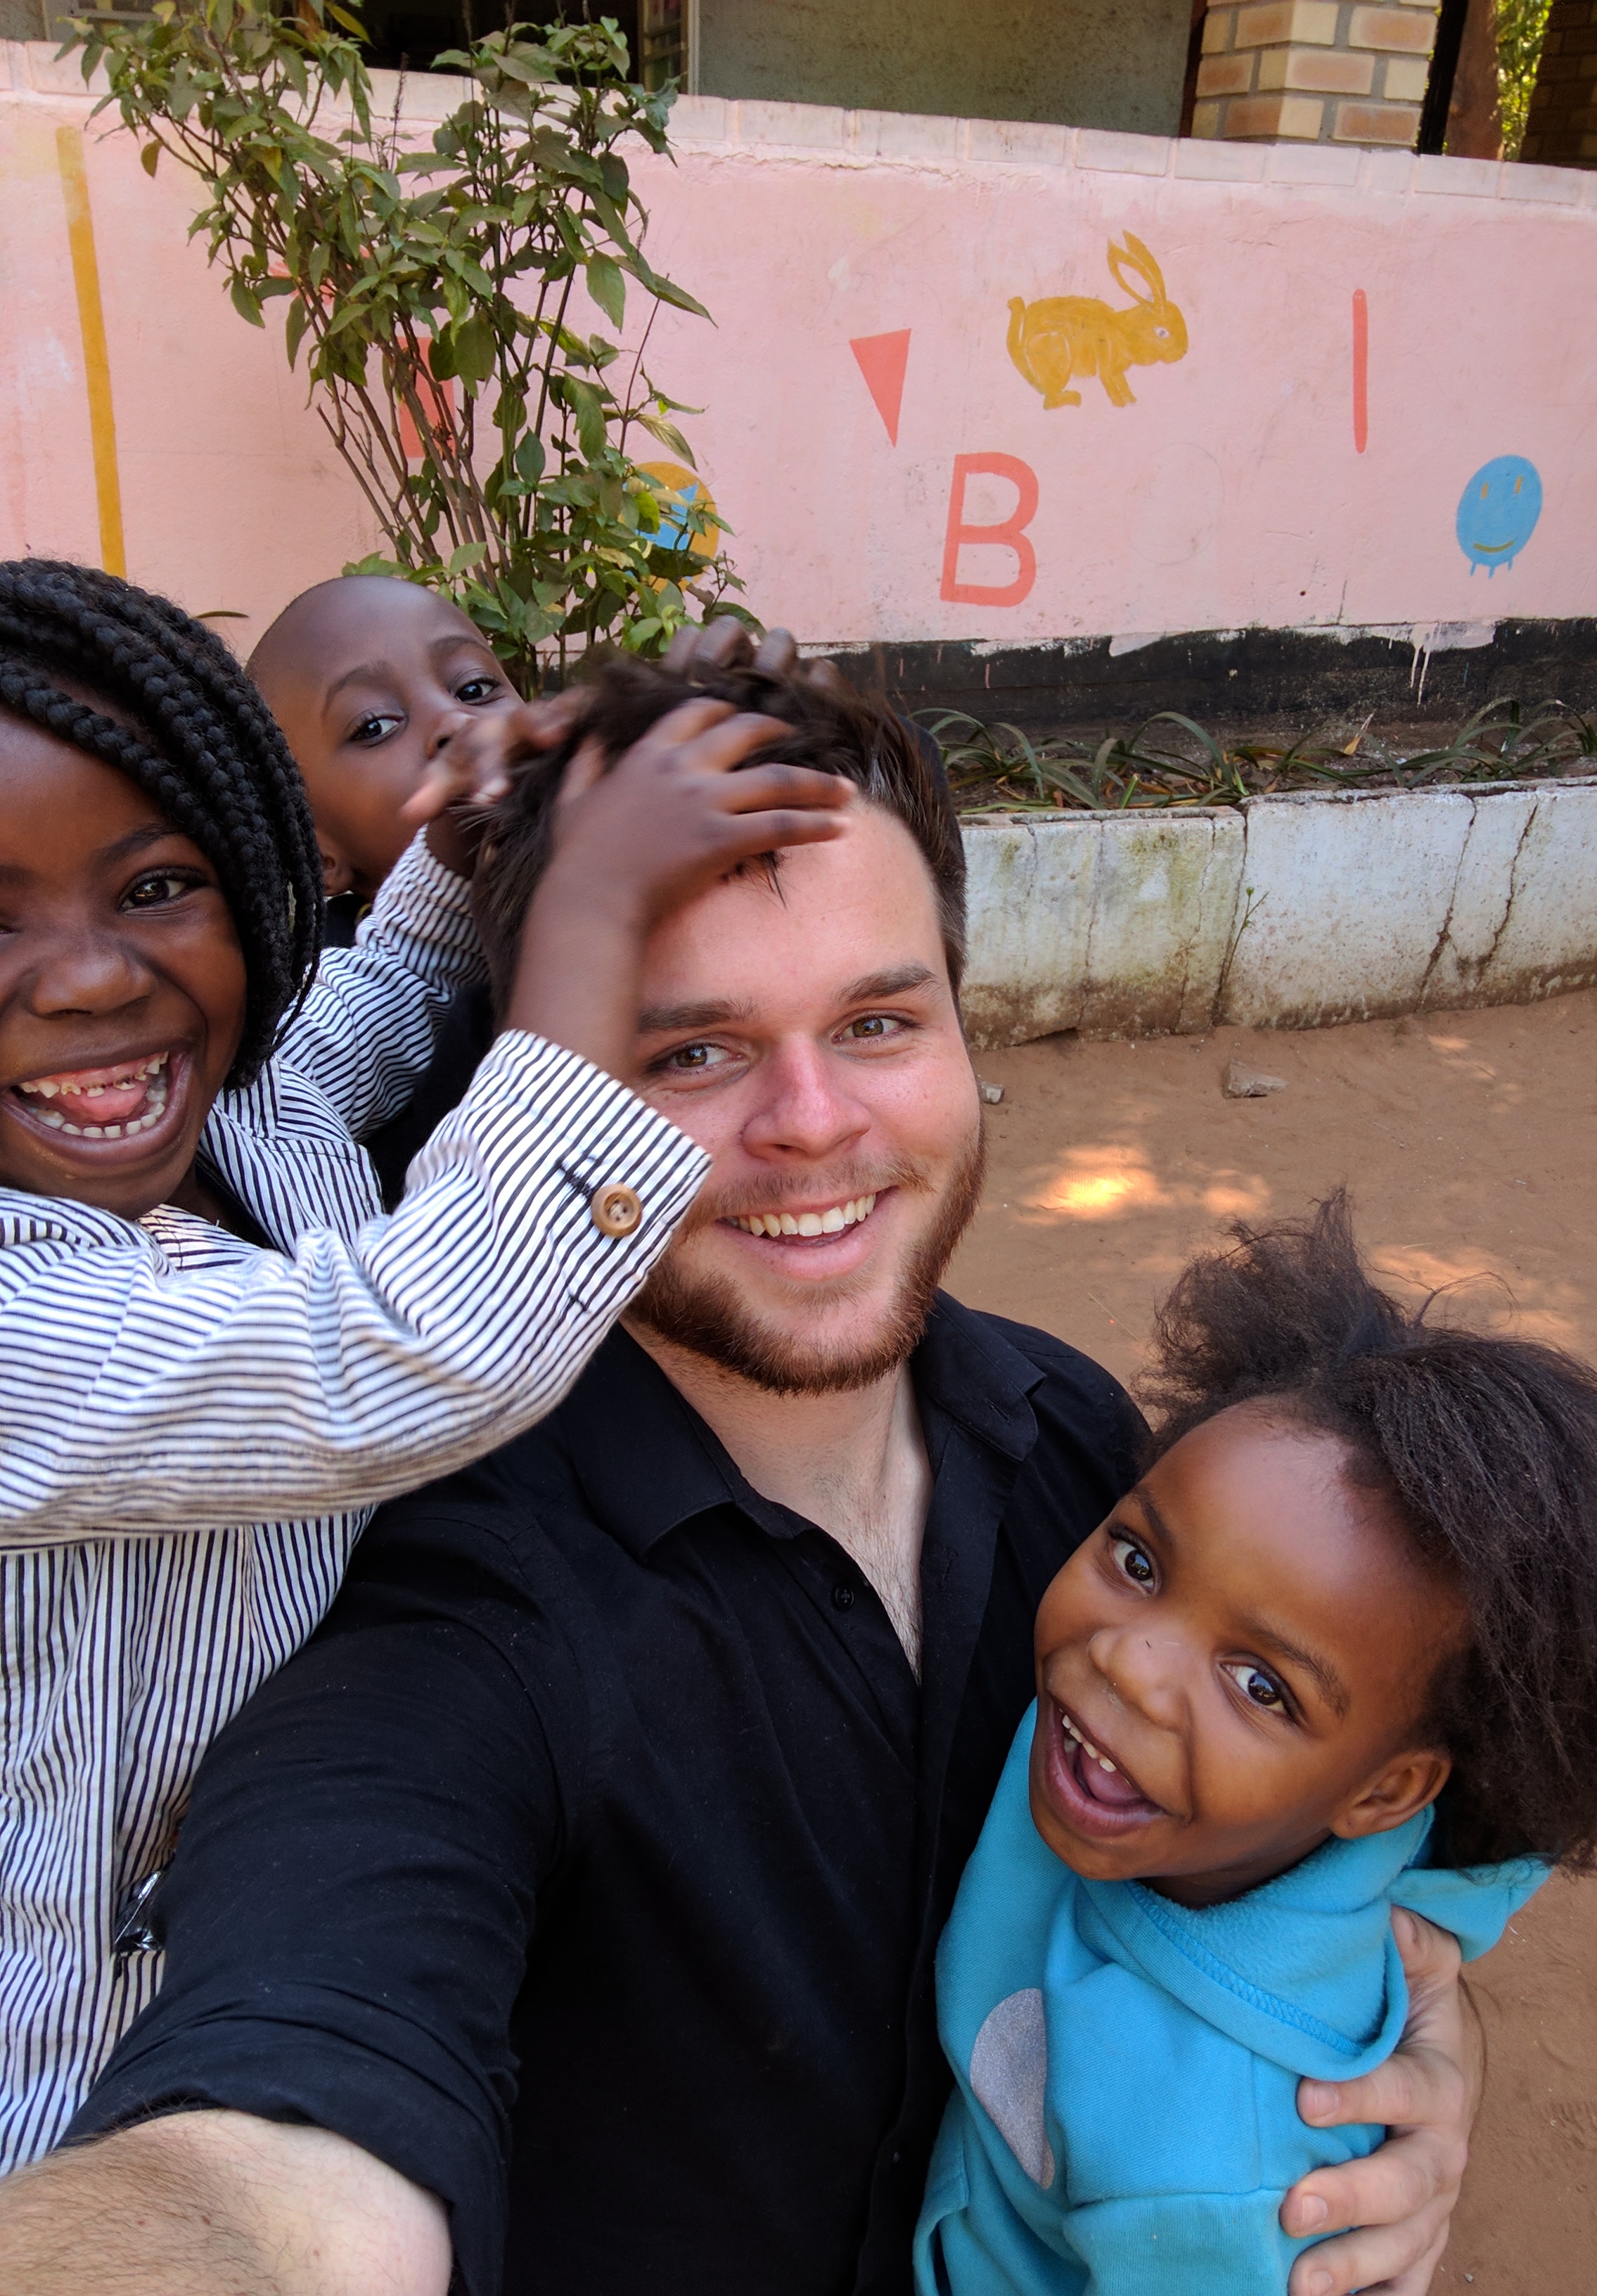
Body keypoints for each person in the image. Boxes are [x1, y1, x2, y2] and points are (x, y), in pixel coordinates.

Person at [0, 657, 1480, 2296]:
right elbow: (280, 2159)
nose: (809, 1121)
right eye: (692, 1052)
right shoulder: (446, 1618)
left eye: (872, 1021)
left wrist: (1409, 2025)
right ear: (543, 1097)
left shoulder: (1088, 1459)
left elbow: (1314, 1794)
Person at [0, 562, 850, 2171]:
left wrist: (479, 855)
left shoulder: (241, 1103)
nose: (91, 975)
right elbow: (404, 1343)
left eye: (157, 885)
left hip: (295, 1929)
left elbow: (371, 999)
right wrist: (589, 908)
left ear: (257, 875)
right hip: (54, 2079)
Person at [916, 1197, 1597, 2296]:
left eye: (1262, 1686)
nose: (1129, 1665)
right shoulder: (1136, 1760)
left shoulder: (1214, 2168)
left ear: (1389, 1792)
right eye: (1141, 1562)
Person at [248, 573, 520, 944]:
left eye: (475, 688)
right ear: (318, 855)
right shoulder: (336, 991)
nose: (456, 721)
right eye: (375, 726)